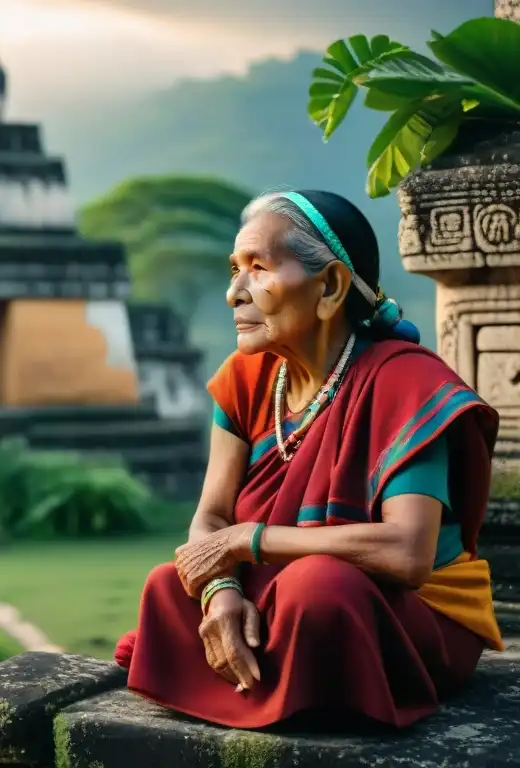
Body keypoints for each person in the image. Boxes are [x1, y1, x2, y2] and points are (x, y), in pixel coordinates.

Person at [114, 190, 503, 730]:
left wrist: (248, 542)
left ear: (330, 286)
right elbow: (210, 519)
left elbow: (407, 553)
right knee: (168, 586)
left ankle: (277, 683)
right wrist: (222, 590)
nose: (233, 293)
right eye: (234, 269)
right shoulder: (246, 378)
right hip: (285, 593)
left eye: (258, 268)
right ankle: (277, 672)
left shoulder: (406, 384)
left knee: (317, 589)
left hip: (403, 616)